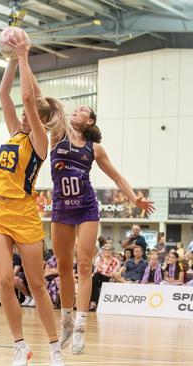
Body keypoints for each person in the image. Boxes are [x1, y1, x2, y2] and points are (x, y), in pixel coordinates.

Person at [0, 32, 66, 366]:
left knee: (36, 285)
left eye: (31, 113)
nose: (22, 111)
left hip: (25, 213)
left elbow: (29, 100)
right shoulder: (14, 133)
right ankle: (20, 345)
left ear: (40, 122)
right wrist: (11, 60)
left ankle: (54, 346)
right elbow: (5, 92)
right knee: (3, 280)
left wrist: (25, 55)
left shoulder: (41, 143)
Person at [49, 102, 154, 355]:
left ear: (90, 121)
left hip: (86, 207)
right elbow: (42, 105)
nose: (77, 109)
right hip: (61, 207)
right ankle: (66, 321)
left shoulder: (94, 149)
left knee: (84, 265)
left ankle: (81, 327)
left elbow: (117, 177)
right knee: (64, 267)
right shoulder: (57, 134)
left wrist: (134, 199)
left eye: (83, 109)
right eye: (74, 108)